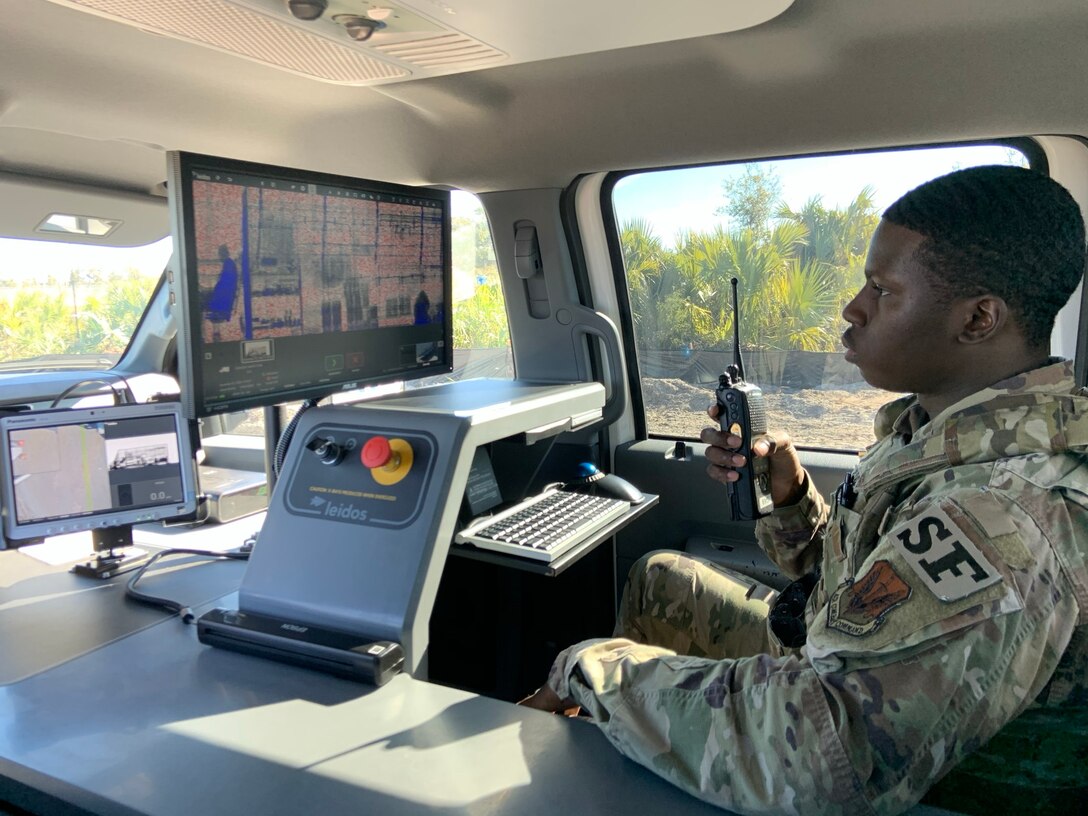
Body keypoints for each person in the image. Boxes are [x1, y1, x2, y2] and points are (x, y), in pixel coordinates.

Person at [521, 165, 1088, 815]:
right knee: (662, 581)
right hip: (833, 655)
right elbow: (870, 583)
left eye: (883, 290)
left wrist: (596, 674)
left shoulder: (1002, 512)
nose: (853, 309)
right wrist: (789, 499)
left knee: (595, 671)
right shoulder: (933, 432)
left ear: (979, 318)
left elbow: (824, 761)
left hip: (916, 784)